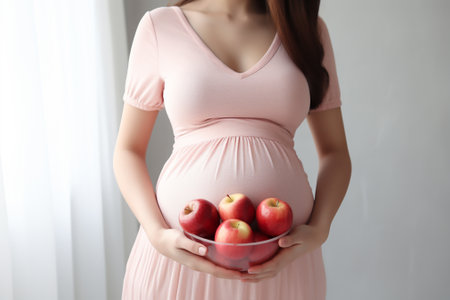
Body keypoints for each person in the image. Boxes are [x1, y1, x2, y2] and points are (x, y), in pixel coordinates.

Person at [113, 0, 351, 299]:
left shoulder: (306, 31)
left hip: (280, 265)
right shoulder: (160, 27)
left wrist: (320, 229)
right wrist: (156, 233)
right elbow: (127, 150)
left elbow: (335, 152)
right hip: (182, 259)